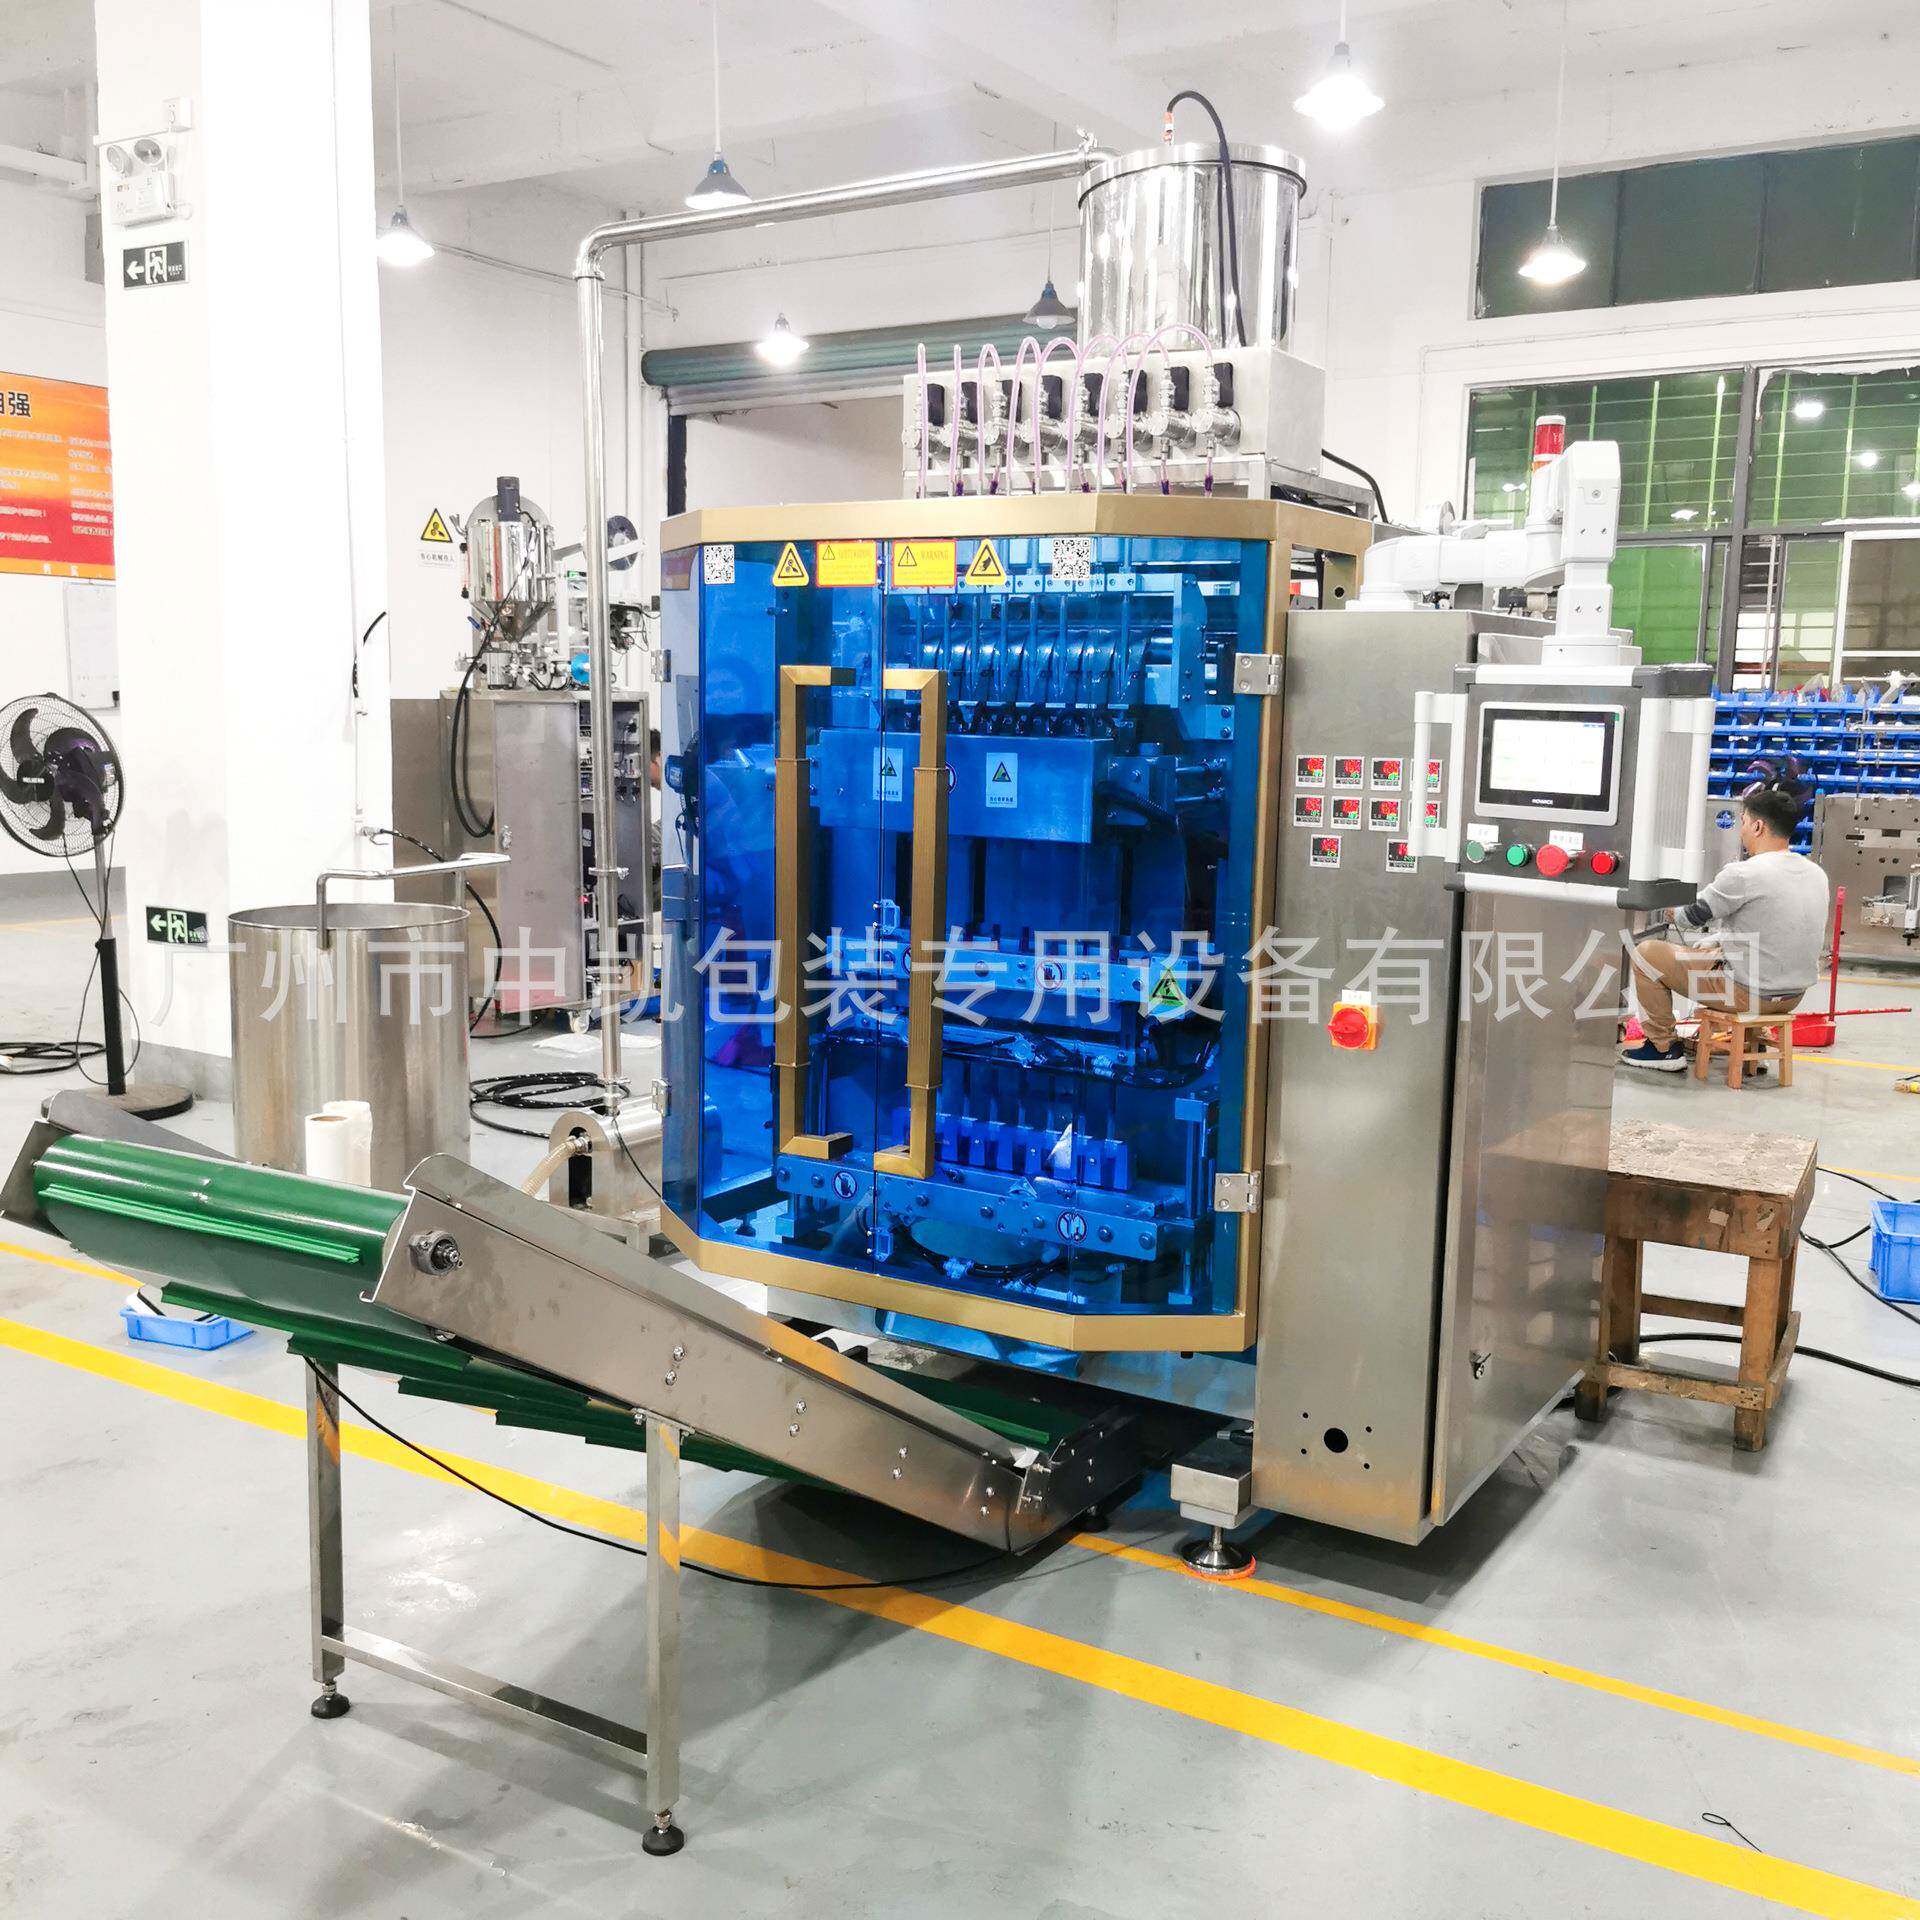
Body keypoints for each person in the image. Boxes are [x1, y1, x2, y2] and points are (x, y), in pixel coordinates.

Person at [1620, 781, 1829, 1072]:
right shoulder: (1815, 873)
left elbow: (1689, 916)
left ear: (1757, 826)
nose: (1741, 831)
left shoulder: (1744, 873)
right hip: (1792, 996)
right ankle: (1754, 1045)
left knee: (1646, 953)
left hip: (1746, 994)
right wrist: (1718, 938)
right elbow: (1773, 928)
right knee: (1714, 949)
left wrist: (1661, 901)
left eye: (1743, 822)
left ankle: (1662, 1047)